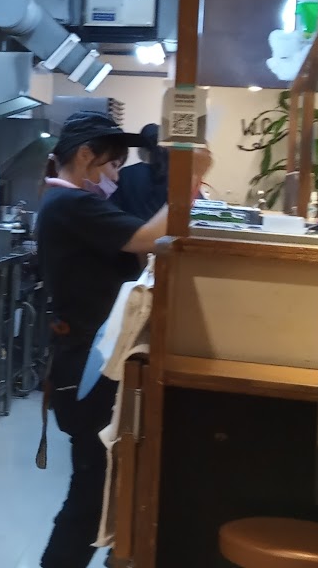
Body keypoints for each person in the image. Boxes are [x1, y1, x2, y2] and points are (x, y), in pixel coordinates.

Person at [35, 112, 212, 568]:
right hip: (85, 365)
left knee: (95, 488)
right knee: (89, 494)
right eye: (112, 165)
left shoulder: (70, 203)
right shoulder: (71, 204)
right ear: (85, 155)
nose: (116, 176)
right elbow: (149, 238)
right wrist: (190, 178)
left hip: (85, 359)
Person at [111, 123, 168, 220]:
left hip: (130, 228)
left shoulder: (125, 174)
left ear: (141, 149)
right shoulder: (173, 175)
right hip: (163, 229)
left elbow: (113, 209)